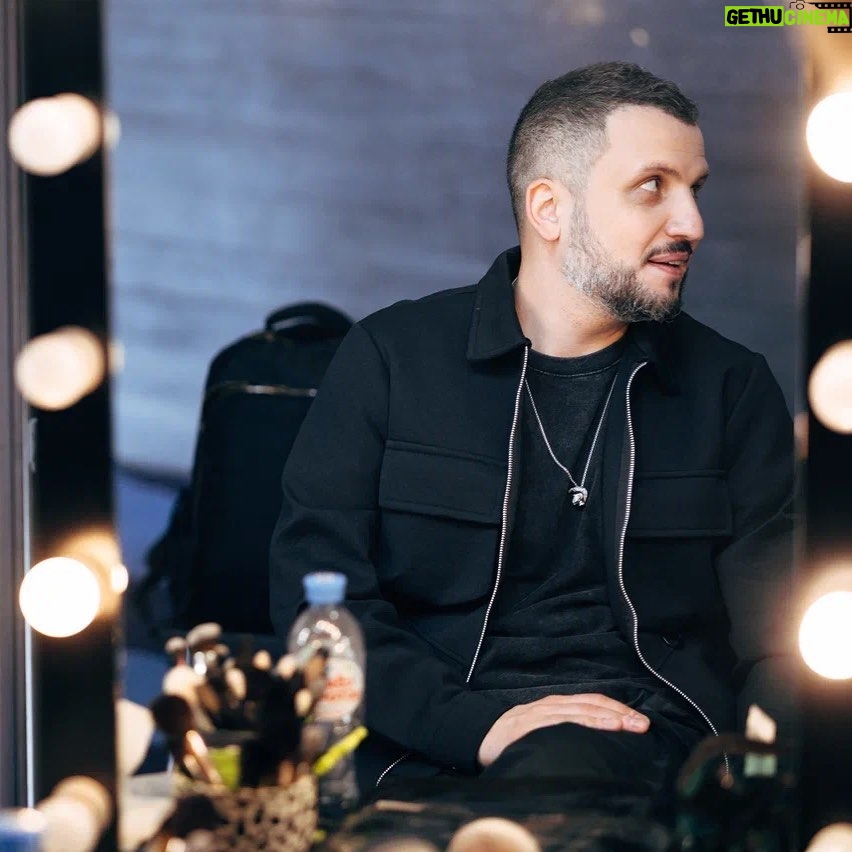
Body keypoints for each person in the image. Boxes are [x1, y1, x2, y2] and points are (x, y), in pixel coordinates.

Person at [269, 62, 795, 806]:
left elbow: (781, 639)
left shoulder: (730, 387)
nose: (692, 224)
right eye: (653, 186)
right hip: (420, 744)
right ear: (550, 209)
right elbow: (318, 604)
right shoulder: (391, 359)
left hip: (649, 746)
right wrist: (477, 726)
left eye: (694, 189)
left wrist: (766, 776)